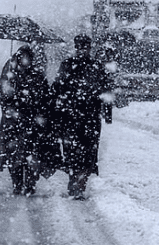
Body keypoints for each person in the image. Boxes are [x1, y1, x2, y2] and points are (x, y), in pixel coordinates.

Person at [52, 34, 114, 200]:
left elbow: (106, 91)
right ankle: (76, 181)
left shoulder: (93, 67)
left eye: (84, 48)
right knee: (75, 151)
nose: (82, 51)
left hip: (87, 117)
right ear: (76, 48)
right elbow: (57, 88)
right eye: (80, 47)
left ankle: (79, 183)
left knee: (86, 152)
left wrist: (107, 112)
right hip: (74, 117)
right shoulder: (72, 65)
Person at [0, 45, 53, 196]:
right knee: (14, 155)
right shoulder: (9, 74)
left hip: (31, 122)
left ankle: (30, 184)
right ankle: (17, 183)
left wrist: (37, 106)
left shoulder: (37, 76)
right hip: (13, 122)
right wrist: (9, 93)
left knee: (32, 154)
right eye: (22, 57)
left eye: (28, 58)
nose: (25, 61)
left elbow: (46, 98)